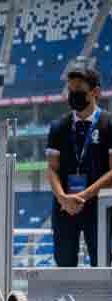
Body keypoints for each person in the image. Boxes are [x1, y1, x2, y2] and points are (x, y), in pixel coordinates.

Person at [45, 68, 112, 267]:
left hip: (100, 207)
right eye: (70, 89)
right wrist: (63, 198)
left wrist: (84, 195)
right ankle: (66, 299)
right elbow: (52, 169)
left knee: (104, 265)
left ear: (95, 92)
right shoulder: (58, 127)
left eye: (79, 90)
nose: (73, 94)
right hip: (65, 208)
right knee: (64, 264)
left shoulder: (109, 124)